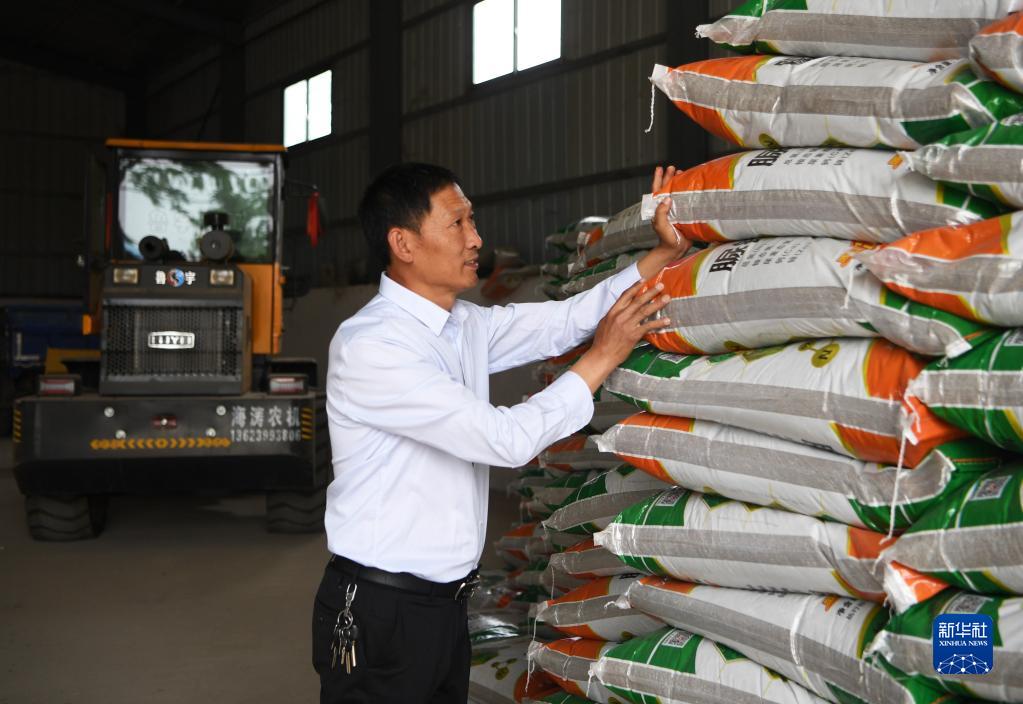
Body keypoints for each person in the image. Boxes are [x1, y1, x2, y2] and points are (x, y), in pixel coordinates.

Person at [313, 162, 689, 703]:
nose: (476, 239)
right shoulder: (372, 346)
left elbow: (565, 321)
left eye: (472, 221)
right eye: (457, 223)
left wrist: (662, 254)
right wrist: (603, 357)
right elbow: (504, 440)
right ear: (404, 243)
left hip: (442, 607)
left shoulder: (462, 324)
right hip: (380, 610)